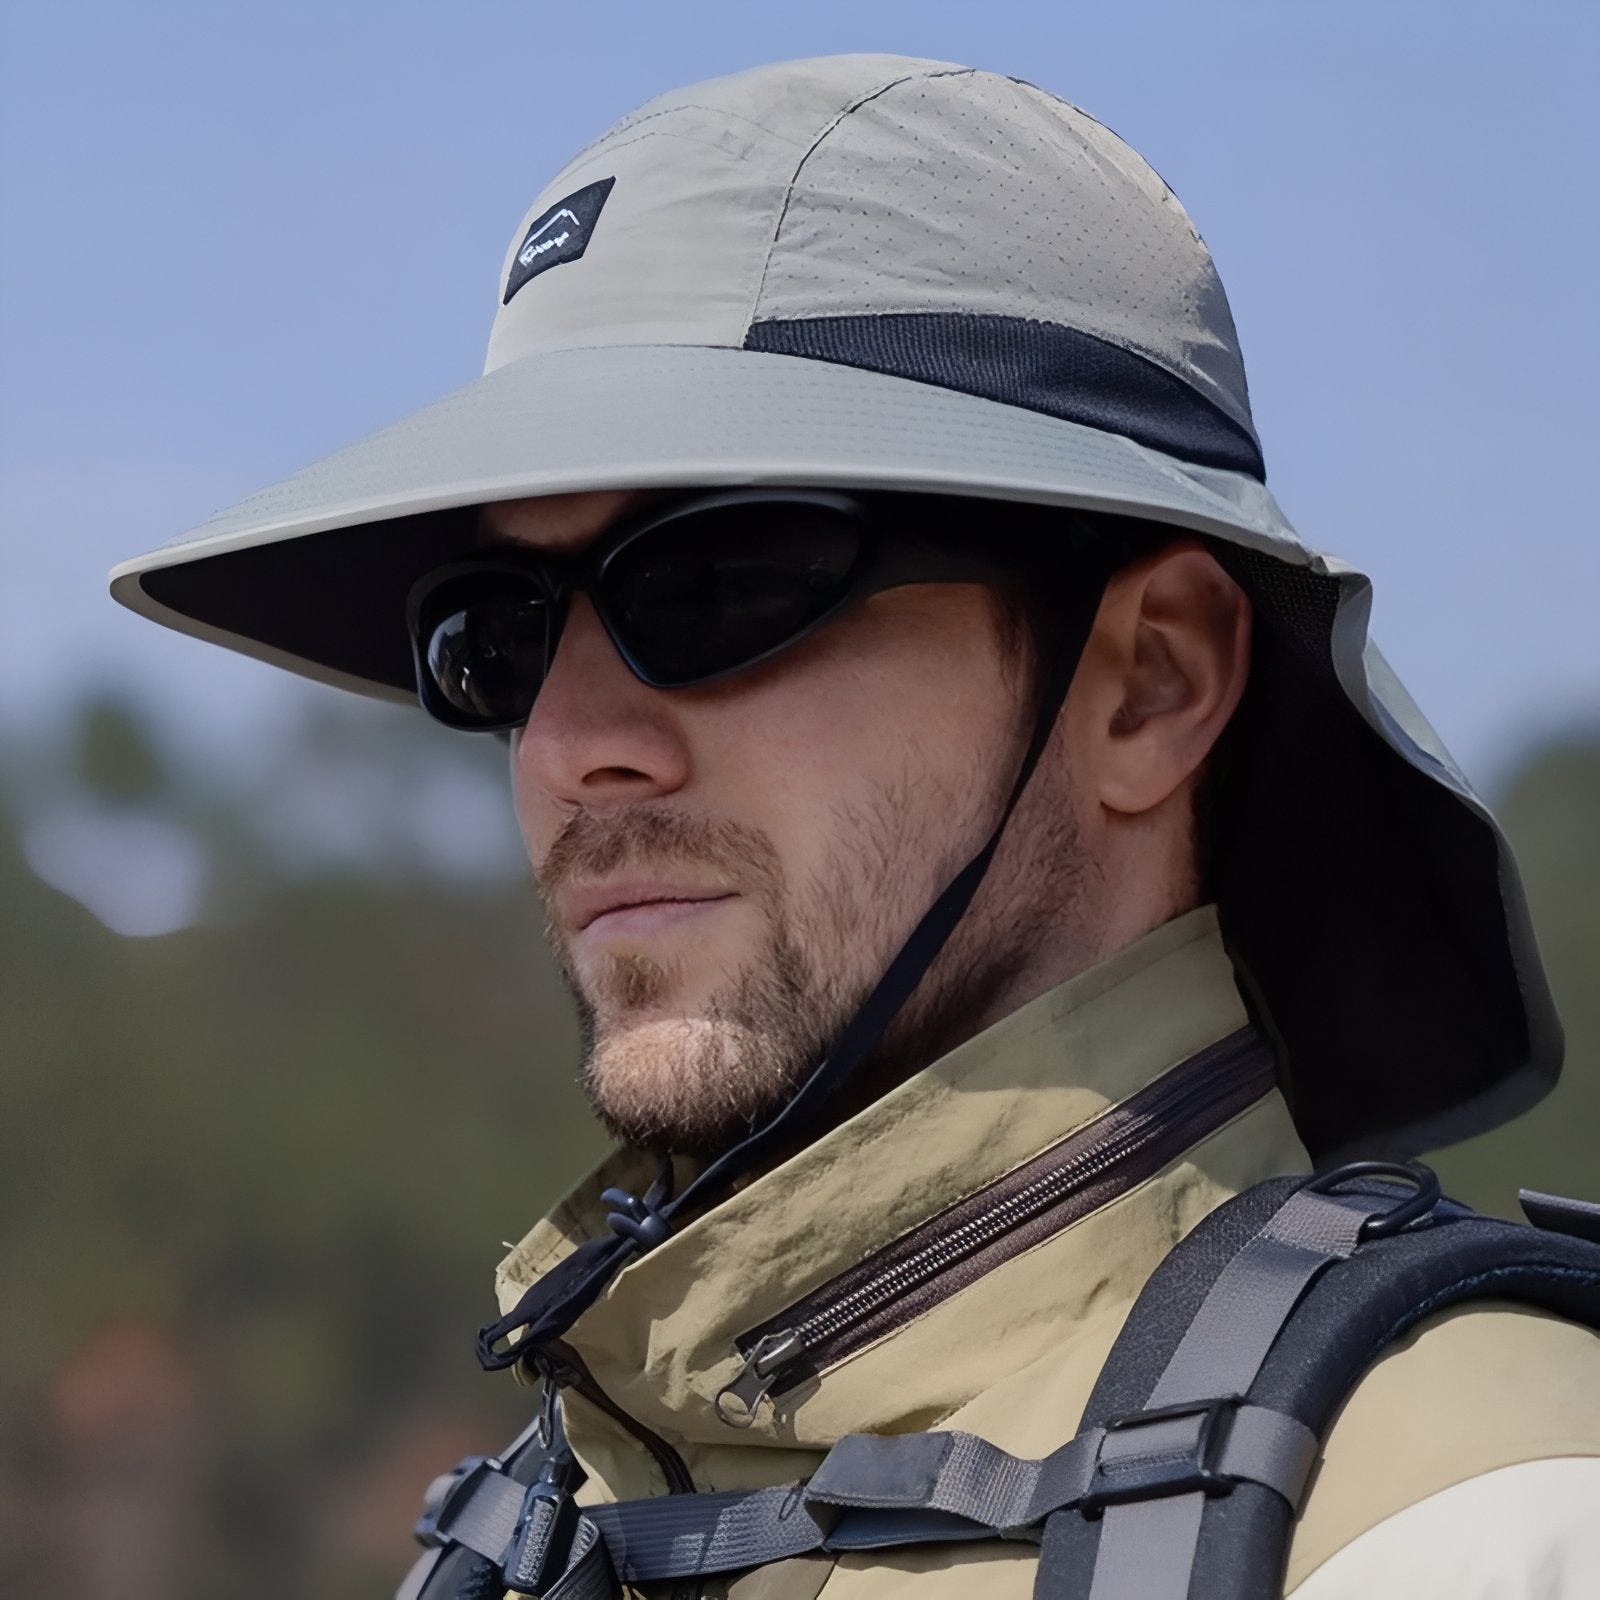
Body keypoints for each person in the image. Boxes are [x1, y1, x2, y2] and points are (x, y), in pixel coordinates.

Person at [110, 53, 1600, 1599]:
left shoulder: (1468, 1524)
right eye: (496, 638)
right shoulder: (540, 1533)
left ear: (1148, 683)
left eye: (720, 586)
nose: (564, 743)